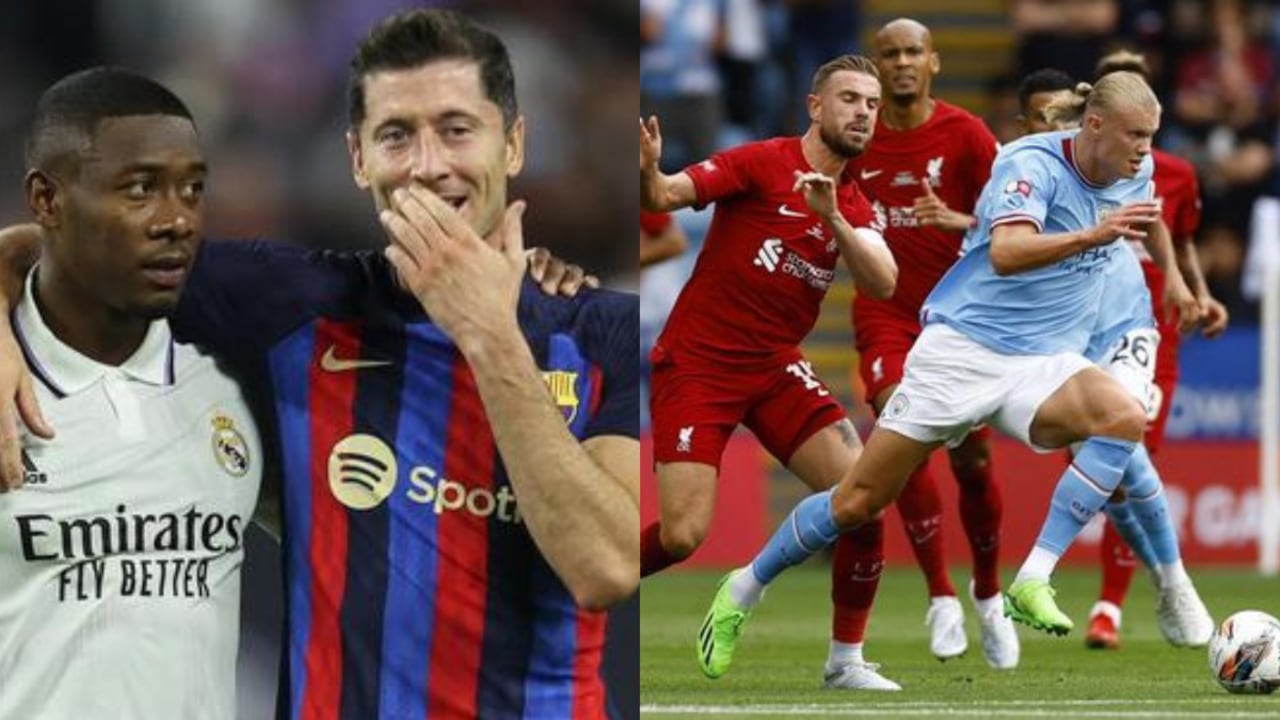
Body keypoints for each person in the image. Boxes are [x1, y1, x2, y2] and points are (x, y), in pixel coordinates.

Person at [0, 10, 639, 719]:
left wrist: (489, 335)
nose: (428, 165)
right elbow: (60, 248)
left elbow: (606, 567)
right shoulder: (291, 304)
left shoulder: (601, 331)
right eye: (396, 135)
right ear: (358, 157)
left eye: (458, 129)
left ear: (513, 144)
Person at [697, 71, 1210, 676]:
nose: (1146, 149)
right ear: (1094, 125)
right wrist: (1092, 236)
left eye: (1151, 135)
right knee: (858, 501)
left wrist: (1174, 278)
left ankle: (1034, 577)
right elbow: (1007, 252)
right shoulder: (1030, 164)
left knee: (1122, 417)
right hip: (963, 352)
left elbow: (1149, 216)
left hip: (1040, 360)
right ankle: (743, 589)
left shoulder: (1133, 171)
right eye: (1136, 135)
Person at [0, 68, 262, 719]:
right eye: (140, 189)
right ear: (47, 200)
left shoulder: (234, 383)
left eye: (193, 189)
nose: (177, 220)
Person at [640, 54, 903, 689]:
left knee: (864, 499)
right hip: (699, 363)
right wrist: (648, 171)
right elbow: (667, 195)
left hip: (775, 365)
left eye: (872, 104)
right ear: (816, 106)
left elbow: (884, 282)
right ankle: (570, 579)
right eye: (850, 99)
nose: (863, 113)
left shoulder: (856, 205)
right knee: (682, 536)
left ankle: (845, 662)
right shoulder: (762, 161)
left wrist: (833, 215)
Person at [846, 18, 1015, 667]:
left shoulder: (967, 135)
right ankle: (941, 595)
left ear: (933, 62)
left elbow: (1015, 223)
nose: (902, 62)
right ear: (877, 66)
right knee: (903, 434)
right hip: (887, 314)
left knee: (973, 462)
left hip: (961, 322)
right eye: (889, 53)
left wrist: (960, 220)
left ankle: (988, 594)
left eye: (912, 51)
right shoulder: (858, 138)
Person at [1053, 51, 1230, 651]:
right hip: (1077, 333)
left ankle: (1111, 605)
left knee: (1127, 462)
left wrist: (1198, 292)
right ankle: (1164, 581)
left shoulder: (1173, 173)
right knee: (1104, 471)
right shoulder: (1064, 165)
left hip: (1149, 338)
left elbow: (1179, 240)